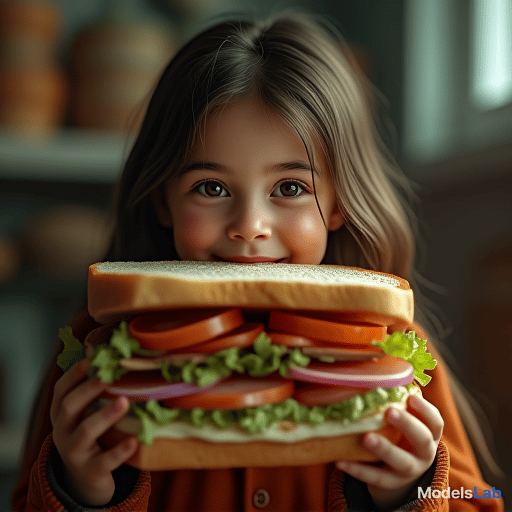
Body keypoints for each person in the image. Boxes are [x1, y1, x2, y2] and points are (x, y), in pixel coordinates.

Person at [12, 10, 506, 512]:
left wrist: (408, 491)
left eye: (290, 188)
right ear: (163, 200)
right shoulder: (98, 356)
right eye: (211, 187)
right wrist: (80, 489)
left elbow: (484, 498)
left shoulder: (392, 354)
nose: (250, 225)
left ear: (339, 203)